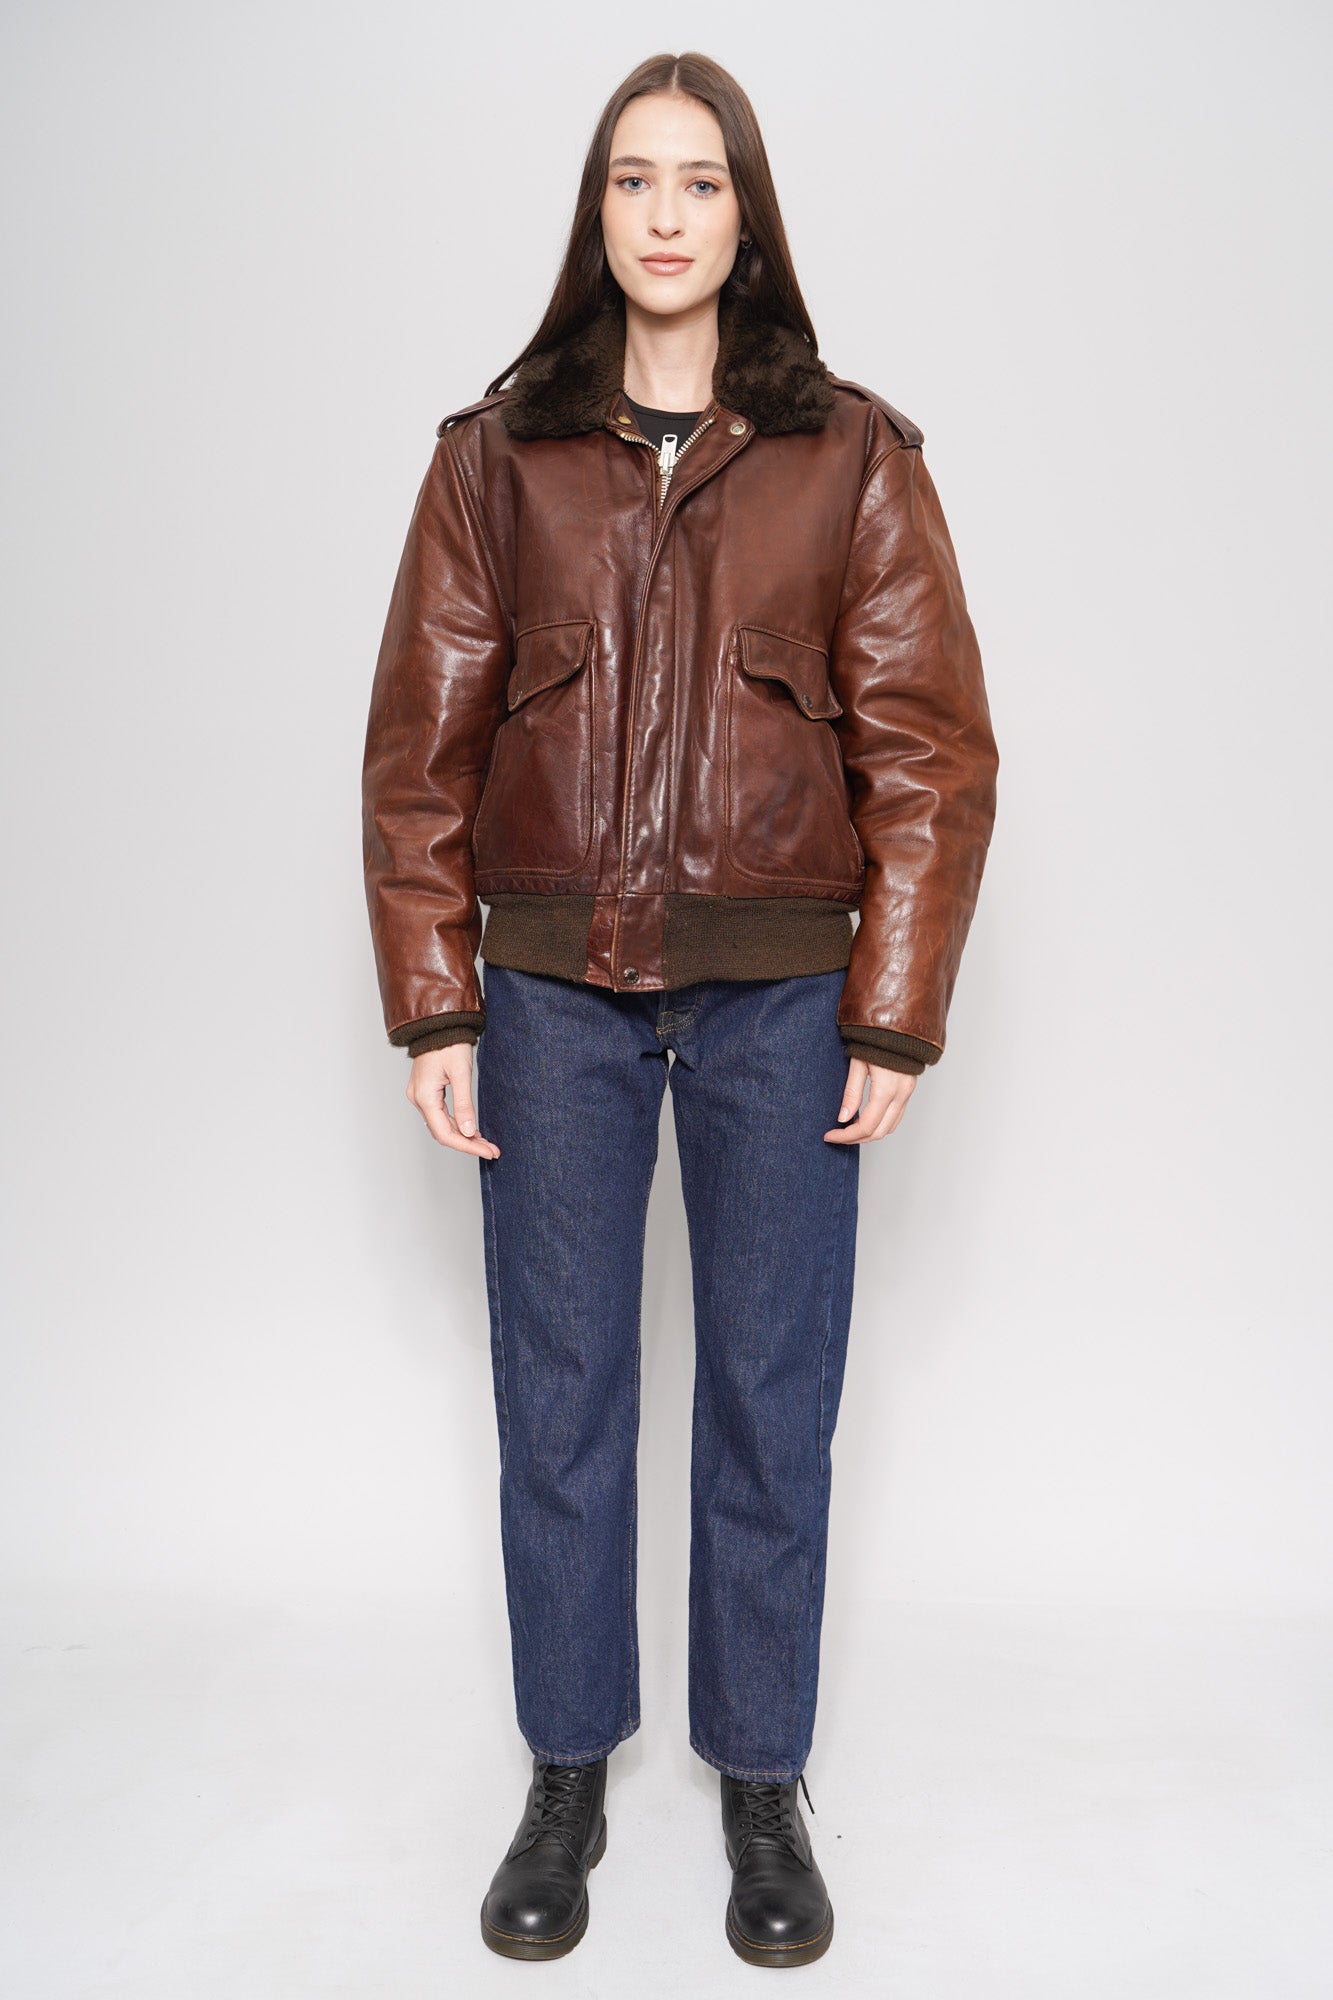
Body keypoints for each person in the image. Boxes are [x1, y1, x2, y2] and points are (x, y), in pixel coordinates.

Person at [361, 49, 998, 1969]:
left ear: (745, 215)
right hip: (547, 997)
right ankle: (566, 1769)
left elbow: (929, 750)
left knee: (767, 1402)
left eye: (699, 181)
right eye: (633, 178)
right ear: (597, 210)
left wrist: (887, 1014)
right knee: (555, 1404)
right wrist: (435, 1003)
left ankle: (759, 1780)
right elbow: (418, 752)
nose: (663, 213)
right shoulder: (495, 457)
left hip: (782, 999)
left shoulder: (851, 454)